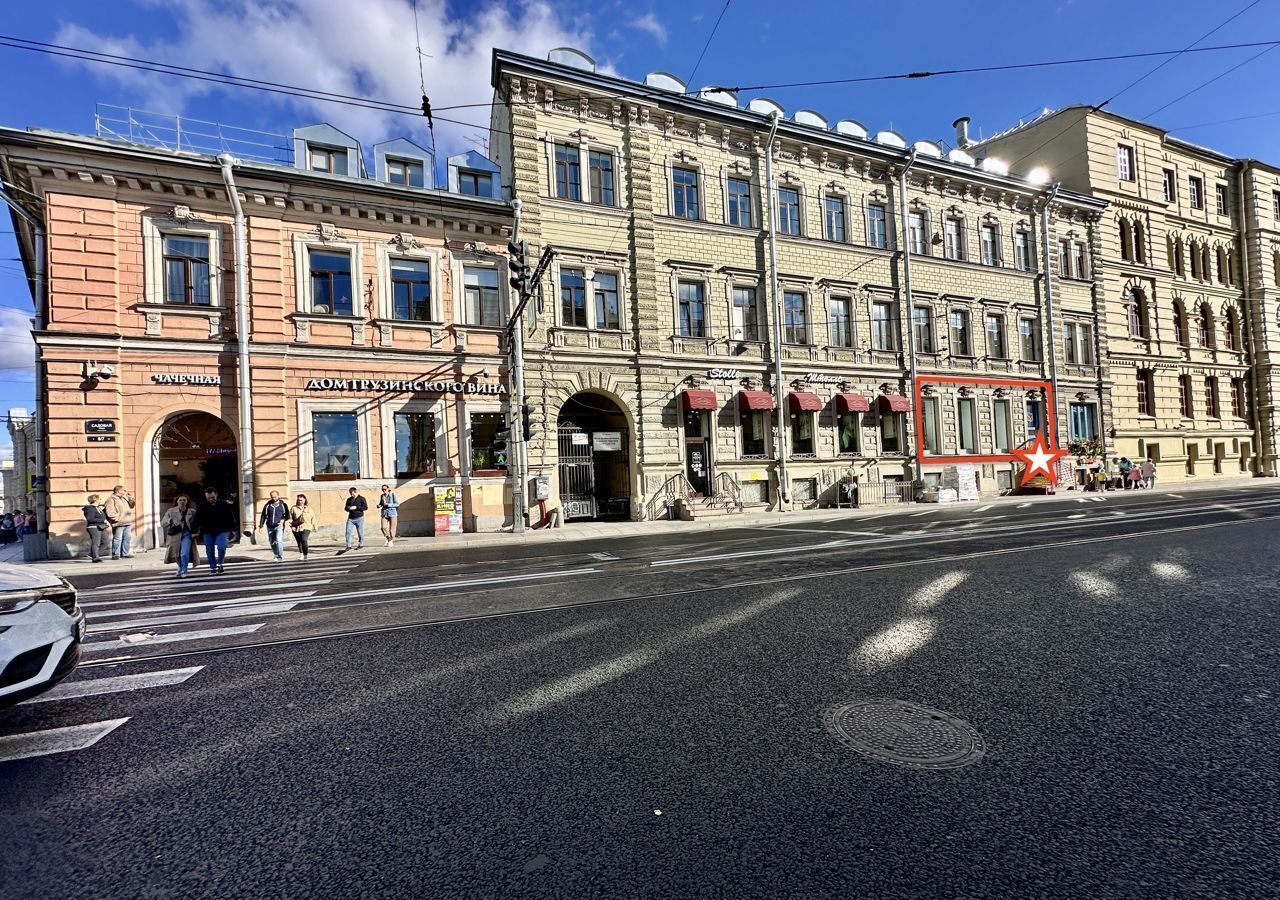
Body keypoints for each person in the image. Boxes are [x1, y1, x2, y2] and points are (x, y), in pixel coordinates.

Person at [193, 487, 237, 575]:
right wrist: (194, 531)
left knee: (222, 547)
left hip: (221, 529)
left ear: (216, 495)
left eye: (212, 497)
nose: (211, 499)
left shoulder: (223, 504)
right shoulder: (202, 506)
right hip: (207, 531)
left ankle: (220, 563)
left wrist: (233, 529)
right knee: (209, 550)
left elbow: (230, 517)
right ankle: (213, 567)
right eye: (208, 498)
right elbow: (197, 519)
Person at [160, 495, 199, 577]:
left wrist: (196, 533)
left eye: (184, 500)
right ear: (177, 501)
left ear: (187, 501)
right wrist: (168, 521)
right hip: (175, 535)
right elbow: (162, 523)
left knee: (184, 553)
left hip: (187, 534)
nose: (182, 502)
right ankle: (180, 567)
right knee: (176, 554)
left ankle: (184, 570)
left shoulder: (192, 512)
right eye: (180, 500)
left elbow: (197, 524)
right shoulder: (171, 511)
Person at [257, 490, 290, 563]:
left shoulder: (283, 505)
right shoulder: (268, 505)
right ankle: (276, 554)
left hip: (279, 525)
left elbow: (287, 515)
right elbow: (263, 515)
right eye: (272, 497)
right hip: (270, 525)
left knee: (279, 540)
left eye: (275, 497)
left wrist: (283, 520)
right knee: (272, 541)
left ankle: (279, 556)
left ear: (278, 496)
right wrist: (261, 526)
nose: (274, 498)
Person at [104, 484, 136, 559]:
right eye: (124, 490)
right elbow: (109, 512)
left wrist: (130, 498)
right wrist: (117, 518)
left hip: (127, 522)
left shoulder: (123, 498)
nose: (125, 491)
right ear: (118, 491)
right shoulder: (111, 499)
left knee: (127, 538)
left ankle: (125, 553)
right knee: (118, 539)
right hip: (119, 523)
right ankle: (116, 554)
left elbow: (131, 506)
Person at [81, 494, 110, 563]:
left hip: (101, 527)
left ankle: (92, 554)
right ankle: (95, 558)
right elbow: (90, 519)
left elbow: (102, 517)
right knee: (96, 543)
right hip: (93, 527)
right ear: (95, 500)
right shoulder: (90, 509)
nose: (100, 500)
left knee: (105, 542)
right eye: (99, 499)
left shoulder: (98, 508)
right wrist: (103, 520)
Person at [290, 493, 317, 560]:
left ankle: (305, 554)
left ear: (305, 500)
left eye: (301, 500)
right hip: (296, 527)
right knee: (299, 542)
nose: (300, 502)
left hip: (307, 527)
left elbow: (313, 517)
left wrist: (315, 526)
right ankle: (301, 554)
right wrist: (291, 526)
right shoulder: (293, 508)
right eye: (299, 500)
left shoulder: (309, 508)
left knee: (304, 539)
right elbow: (290, 518)